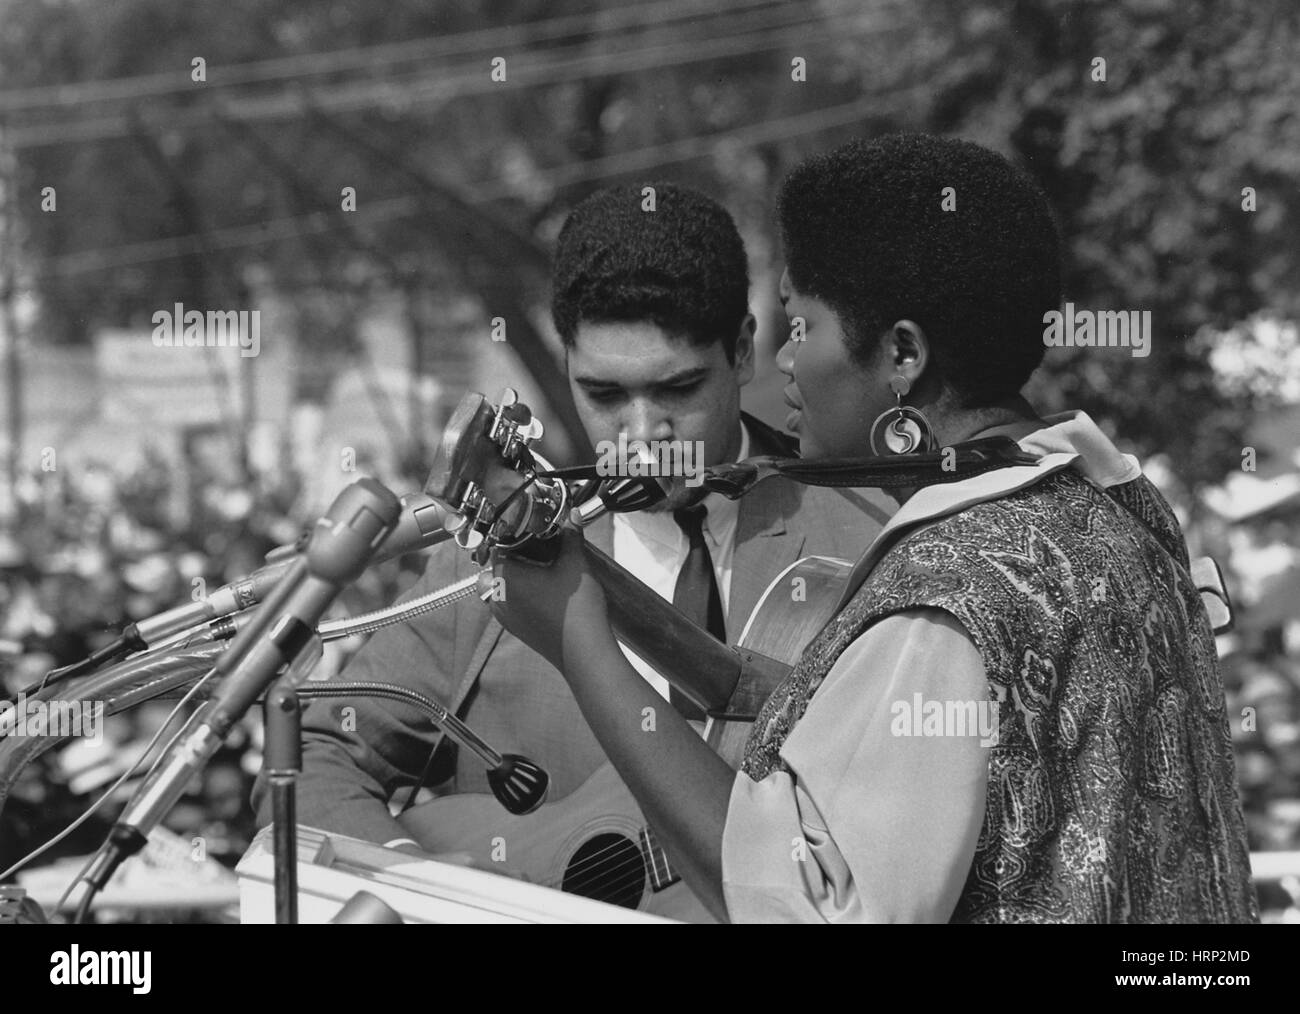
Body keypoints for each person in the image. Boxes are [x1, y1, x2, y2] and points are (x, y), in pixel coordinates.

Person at [488, 135, 1260, 923]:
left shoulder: (945, 600)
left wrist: (582, 646)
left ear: (901, 354)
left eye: (802, 326)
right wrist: (596, 583)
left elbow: (804, 912)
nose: (785, 362)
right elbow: (802, 698)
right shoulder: (1109, 518)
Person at [252, 183, 893, 872]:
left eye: (678, 390)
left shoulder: (868, 544)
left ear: (742, 352)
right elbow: (316, 756)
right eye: (605, 395)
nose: (644, 437)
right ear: (564, 364)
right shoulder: (490, 555)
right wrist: (422, 898)